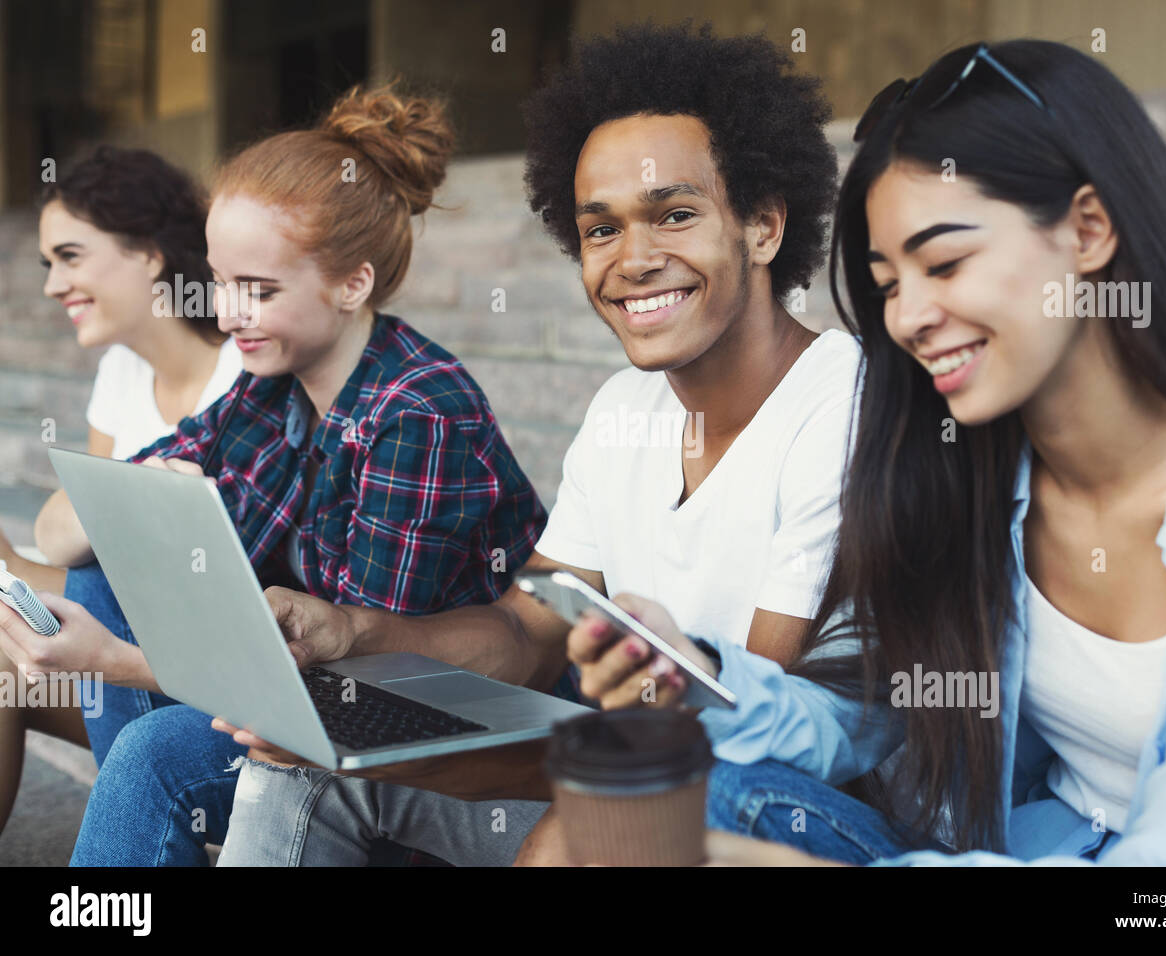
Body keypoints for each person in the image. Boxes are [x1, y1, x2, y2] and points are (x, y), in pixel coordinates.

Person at [567, 40, 1166, 866]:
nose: (908, 317)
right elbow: (865, 713)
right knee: (699, 789)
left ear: (1089, 231)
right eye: (887, 283)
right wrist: (696, 673)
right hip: (1042, 847)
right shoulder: (976, 481)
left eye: (945, 263)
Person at [210, 22, 858, 867]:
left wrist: (454, 760)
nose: (634, 259)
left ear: (765, 226)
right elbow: (524, 636)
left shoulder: (841, 403)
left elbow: (743, 737)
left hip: (775, 818)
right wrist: (345, 631)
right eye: (601, 230)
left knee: (593, 819)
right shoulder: (622, 411)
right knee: (299, 771)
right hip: (632, 777)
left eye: (675, 215)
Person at [0, 86, 548, 865]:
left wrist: (110, 661)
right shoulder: (266, 393)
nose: (226, 315)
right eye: (221, 283)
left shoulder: (419, 411)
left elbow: (362, 680)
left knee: (152, 755)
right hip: (307, 689)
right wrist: (138, 501)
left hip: (432, 723)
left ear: (352, 283)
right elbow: (63, 526)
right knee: (94, 583)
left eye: (256, 290)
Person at [0, 146, 240, 838]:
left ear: (148, 255)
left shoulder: (242, 369)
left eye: (70, 257)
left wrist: (112, 506)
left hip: (194, 674)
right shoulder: (123, 372)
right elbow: (59, 530)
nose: (53, 284)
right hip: (125, 645)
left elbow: (89, 537)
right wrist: (134, 492)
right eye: (49, 263)